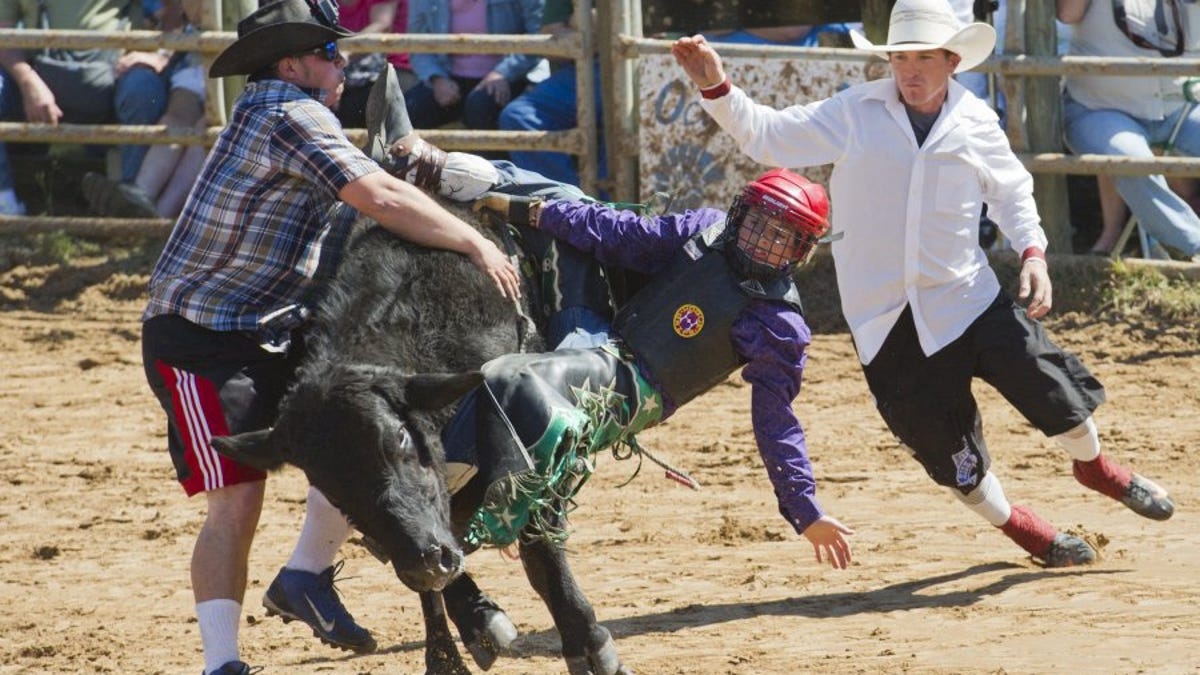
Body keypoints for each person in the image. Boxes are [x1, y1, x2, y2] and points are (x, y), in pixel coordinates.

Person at [671, 0, 1176, 568]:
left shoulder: (976, 120)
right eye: (900, 57)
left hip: (968, 297)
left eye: (924, 58)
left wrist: (1033, 251)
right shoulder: (855, 111)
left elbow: (1010, 192)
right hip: (884, 318)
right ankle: (1026, 530)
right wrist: (717, 87)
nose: (910, 70)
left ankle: (1098, 468)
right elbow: (768, 137)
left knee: (1054, 386)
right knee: (950, 456)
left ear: (952, 61)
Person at [139, 1, 520, 673]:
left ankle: (304, 576)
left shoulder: (288, 113)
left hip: (265, 329)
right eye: (330, 54)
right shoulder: (290, 113)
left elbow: (376, 183)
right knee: (239, 498)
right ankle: (221, 661)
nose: (342, 64)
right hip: (196, 336)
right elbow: (381, 198)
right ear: (292, 65)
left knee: (353, 430)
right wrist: (472, 241)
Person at [424, 168, 858, 570]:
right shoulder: (705, 230)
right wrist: (534, 211)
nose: (761, 239)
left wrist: (804, 509)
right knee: (565, 202)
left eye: (780, 236)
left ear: (799, 251)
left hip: (632, 388)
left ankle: (434, 484)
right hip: (600, 333)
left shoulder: (778, 323)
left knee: (511, 376)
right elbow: (624, 234)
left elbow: (777, 421)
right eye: (758, 223)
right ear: (741, 214)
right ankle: (438, 169)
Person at [0, 0, 172, 216]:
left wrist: (160, 55)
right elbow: (3, 33)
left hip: (116, 79)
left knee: (144, 88)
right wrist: (28, 82)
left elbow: (174, 11)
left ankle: (131, 203)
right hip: (36, 82)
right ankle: (4, 204)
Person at [1058, 0, 1200, 259]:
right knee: (1131, 160)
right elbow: (1067, 14)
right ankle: (1193, 247)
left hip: (1178, 107)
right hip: (1099, 108)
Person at [82, 0, 208, 219]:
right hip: (198, 52)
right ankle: (141, 195)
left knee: (209, 126)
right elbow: (191, 14)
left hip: (249, 53)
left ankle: (159, 216)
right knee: (178, 116)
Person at [498, 0, 604, 189]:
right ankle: (570, 203)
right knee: (518, 116)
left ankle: (615, 208)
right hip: (585, 68)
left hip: (654, 64)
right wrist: (591, 27)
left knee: (617, 122)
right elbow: (551, 39)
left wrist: (580, 23)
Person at [405, 0, 545, 131]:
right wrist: (437, 79)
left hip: (510, 76)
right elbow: (418, 45)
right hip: (446, 77)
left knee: (480, 106)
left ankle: (494, 158)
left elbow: (539, 36)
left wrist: (503, 73)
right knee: (404, 110)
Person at [332, 0, 415, 129]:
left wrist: (344, 54)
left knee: (356, 105)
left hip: (396, 68)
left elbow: (382, 26)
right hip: (343, 69)